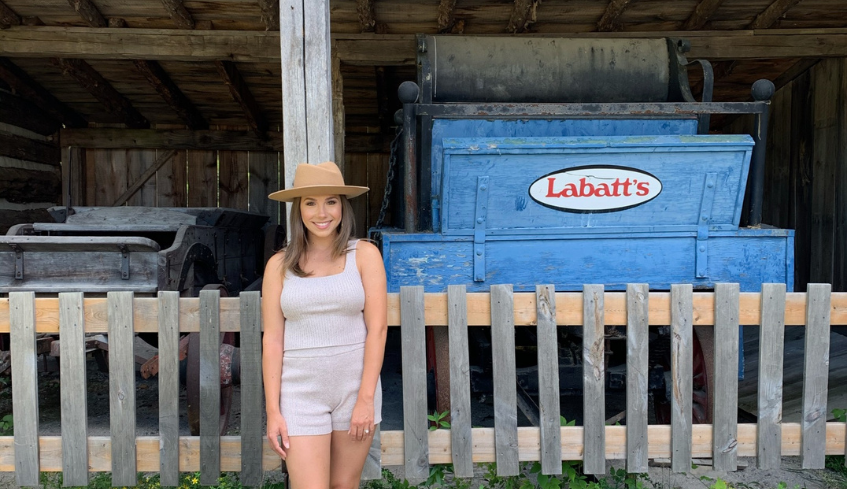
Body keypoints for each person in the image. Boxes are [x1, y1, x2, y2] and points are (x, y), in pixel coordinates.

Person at [262, 161, 387, 489]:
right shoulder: (278, 265)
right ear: (298, 210)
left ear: (343, 207)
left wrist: (366, 398)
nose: (322, 212)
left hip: (354, 391)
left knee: (344, 486)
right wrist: (273, 411)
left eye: (331, 201)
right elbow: (273, 340)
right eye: (310, 202)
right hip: (300, 393)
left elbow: (378, 330)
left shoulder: (365, 255)